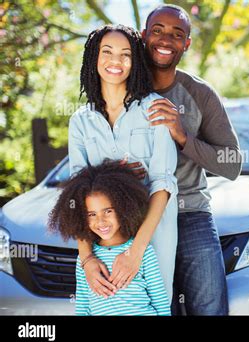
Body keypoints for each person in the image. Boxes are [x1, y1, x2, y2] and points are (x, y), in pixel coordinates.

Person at [142, 4, 242, 315]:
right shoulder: (122, 88)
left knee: (209, 308)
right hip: (136, 219)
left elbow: (232, 163)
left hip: (190, 213)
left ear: (186, 44)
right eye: (157, 31)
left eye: (176, 34)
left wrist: (183, 137)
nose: (165, 40)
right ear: (144, 35)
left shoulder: (199, 94)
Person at [68, 24, 178, 304]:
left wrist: (136, 251)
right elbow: (77, 195)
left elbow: (163, 183)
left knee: (154, 306)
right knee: (106, 305)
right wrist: (87, 259)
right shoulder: (81, 121)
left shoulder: (156, 108)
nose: (115, 61)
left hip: (153, 233)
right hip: (102, 238)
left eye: (125, 54)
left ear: (135, 62)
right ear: (94, 57)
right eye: (107, 52)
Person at [48, 161, 170, 316]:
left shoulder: (144, 253)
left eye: (108, 211)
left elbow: (160, 302)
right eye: (92, 214)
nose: (100, 221)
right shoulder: (84, 261)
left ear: (124, 207)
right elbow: (83, 307)